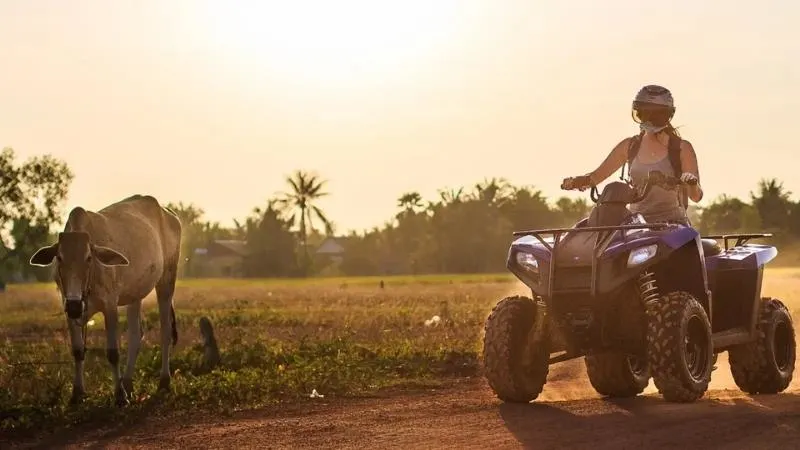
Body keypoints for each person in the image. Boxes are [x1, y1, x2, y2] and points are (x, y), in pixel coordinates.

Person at [561, 84, 704, 225]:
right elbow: (596, 176)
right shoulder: (630, 146)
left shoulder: (681, 148)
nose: (648, 119)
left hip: (673, 225)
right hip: (636, 226)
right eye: (643, 113)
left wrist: (691, 183)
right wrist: (577, 181)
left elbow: (696, 196)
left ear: (666, 116)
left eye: (655, 115)